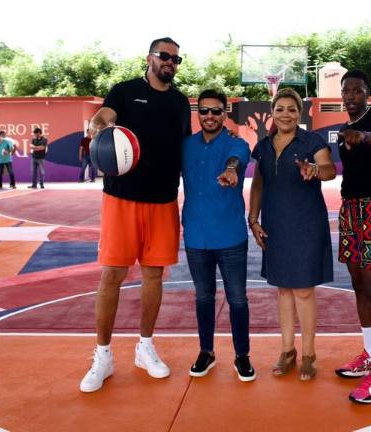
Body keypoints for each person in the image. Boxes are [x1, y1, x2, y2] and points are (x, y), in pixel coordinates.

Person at [79, 36, 191, 393]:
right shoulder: (125, 91)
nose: (170, 62)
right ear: (149, 58)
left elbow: (184, 150)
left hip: (162, 201)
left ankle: (145, 347)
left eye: (176, 58)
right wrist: (97, 125)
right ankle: (103, 355)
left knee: (154, 276)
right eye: (164, 56)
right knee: (112, 275)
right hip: (121, 199)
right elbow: (104, 117)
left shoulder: (178, 102)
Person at [248, 88, 336, 381]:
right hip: (275, 223)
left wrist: (314, 169)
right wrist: (253, 218)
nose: (286, 114)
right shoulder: (262, 146)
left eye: (292, 109)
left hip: (306, 223)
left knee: (303, 290)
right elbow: (258, 185)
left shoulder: (312, 141)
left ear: (300, 113)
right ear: (272, 111)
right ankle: (287, 351)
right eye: (280, 108)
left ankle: (309, 354)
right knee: (283, 289)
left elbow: (329, 169)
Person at [332, 70, 371, 404]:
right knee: (357, 282)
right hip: (350, 207)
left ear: (367, 93)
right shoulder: (343, 130)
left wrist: (365, 137)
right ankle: (370, 356)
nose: (351, 95)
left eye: (357, 90)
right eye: (346, 91)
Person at [181, 89, 254, 381]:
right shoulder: (186, 145)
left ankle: (242, 356)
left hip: (230, 236)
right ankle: (206, 351)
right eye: (204, 111)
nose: (209, 116)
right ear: (198, 114)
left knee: (237, 299)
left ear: (225, 113)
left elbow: (236, 160)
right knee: (203, 297)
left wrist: (232, 171)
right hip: (196, 236)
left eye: (216, 111)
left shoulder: (236, 144)